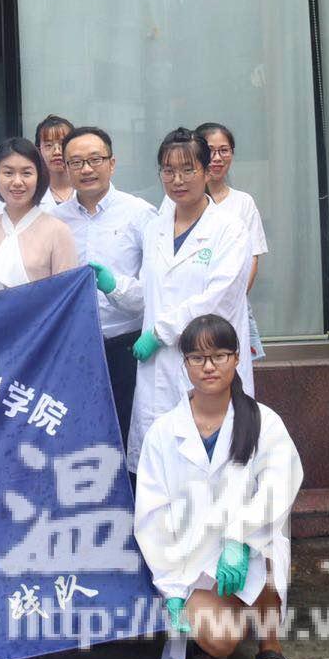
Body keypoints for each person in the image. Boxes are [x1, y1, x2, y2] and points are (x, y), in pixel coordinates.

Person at [135, 315, 302, 659]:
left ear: (236, 358)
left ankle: (270, 646)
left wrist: (239, 538)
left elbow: (279, 486)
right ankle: (224, 620)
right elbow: (152, 515)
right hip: (191, 562)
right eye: (197, 358)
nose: (208, 367)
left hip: (248, 548)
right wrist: (171, 587)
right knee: (221, 641)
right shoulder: (163, 433)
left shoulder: (264, 422)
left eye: (219, 356)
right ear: (185, 364)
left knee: (269, 548)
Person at [129, 128, 253, 475]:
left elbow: (218, 300)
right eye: (168, 171)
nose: (178, 180)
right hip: (159, 367)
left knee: (213, 464)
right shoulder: (155, 228)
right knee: (161, 467)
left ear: (207, 170)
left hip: (207, 358)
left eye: (188, 169)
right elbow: (149, 291)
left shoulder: (229, 229)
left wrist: (160, 332)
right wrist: (113, 287)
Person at [53, 126, 157, 448]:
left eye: (95, 159)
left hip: (127, 345)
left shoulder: (140, 214)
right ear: (66, 168)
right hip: (76, 348)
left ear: (112, 163)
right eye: (76, 162)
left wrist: (114, 287)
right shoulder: (55, 220)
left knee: (128, 435)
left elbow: (155, 290)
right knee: (79, 439)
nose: (86, 169)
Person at [198, 121, 271, 360]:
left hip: (233, 307)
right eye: (210, 150)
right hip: (191, 306)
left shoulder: (243, 203)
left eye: (224, 150)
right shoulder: (180, 201)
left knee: (235, 368)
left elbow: (252, 259)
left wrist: (230, 301)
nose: (217, 158)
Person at [0, 138, 79, 291]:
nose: (17, 182)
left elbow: (67, 294)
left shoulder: (58, 231)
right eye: (8, 173)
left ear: (39, 177)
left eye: (26, 173)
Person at [34, 114, 76, 210]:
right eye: (48, 145)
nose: (57, 151)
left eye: (63, 144)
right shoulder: (31, 195)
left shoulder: (89, 189)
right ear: (39, 150)